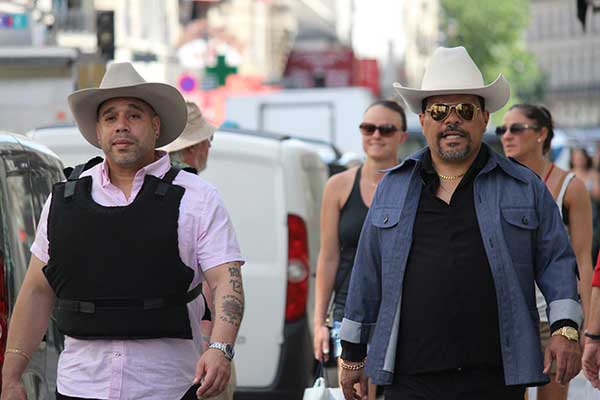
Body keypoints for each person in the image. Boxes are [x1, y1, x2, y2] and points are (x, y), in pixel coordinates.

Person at [338, 46, 583, 400]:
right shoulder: (392, 186)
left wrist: (566, 330)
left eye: (465, 109)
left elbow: (557, 260)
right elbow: (366, 273)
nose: (451, 120)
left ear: (483, 118)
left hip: (495, 376)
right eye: (439, 110)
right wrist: (351, 356)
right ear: (423, 121)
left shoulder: (523, 186)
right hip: (410, 378)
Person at [0, 62, 244, 400]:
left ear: (155, 126)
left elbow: (225, 281)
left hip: (167, 388)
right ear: (98, 131)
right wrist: (12, 376)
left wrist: (220, 348)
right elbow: (37, 291)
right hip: (80, 387)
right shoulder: (64, 200)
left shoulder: (198, 198)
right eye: (110, 117)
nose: (121, 126)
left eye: (134, 115)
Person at [312, 100, 408, 399]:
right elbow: (328, 256)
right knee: (355, 391)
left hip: (402, 309)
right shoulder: (338, 186)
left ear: (402, 136)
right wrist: (319, 323)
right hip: (348, 311)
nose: (376, 135)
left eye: (386, 129)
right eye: (368, 128)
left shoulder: (415, 184)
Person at [499, 104, 593, 400]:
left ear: (541, 134)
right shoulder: (496, 183)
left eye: (516, 128)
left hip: (554, 318)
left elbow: (583, 260)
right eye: (502, 130)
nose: (506, 136)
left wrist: (587, 327)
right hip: (509, 315)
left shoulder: (570, 186)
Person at [161, 101, 237, 400]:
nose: (210, 147)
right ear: (194, 147)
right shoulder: (195, 195)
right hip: (195, 342)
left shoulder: (144, 191)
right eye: (209, 140)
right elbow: (211, 280)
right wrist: (213, 342)